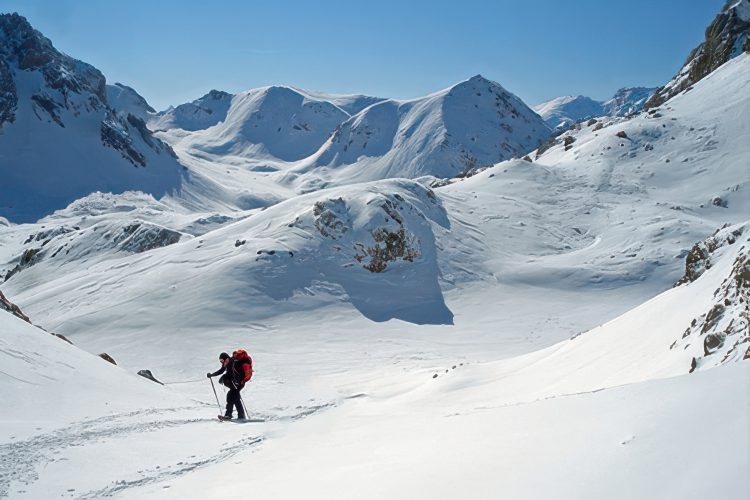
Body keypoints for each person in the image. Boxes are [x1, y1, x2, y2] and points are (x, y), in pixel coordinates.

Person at [207, 351, 252, 420]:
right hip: (235, 383)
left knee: (234, 397)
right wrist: (212, 375)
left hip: (239, 383)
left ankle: (237, 415)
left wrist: (236, 382)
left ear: (226, 358)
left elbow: (235, 373)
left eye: (222, 360)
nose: (221, 362)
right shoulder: (227, 363)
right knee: (231, 396)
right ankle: (234, 415)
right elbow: (221, 371)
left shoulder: (232, 361)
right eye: (220, 361)